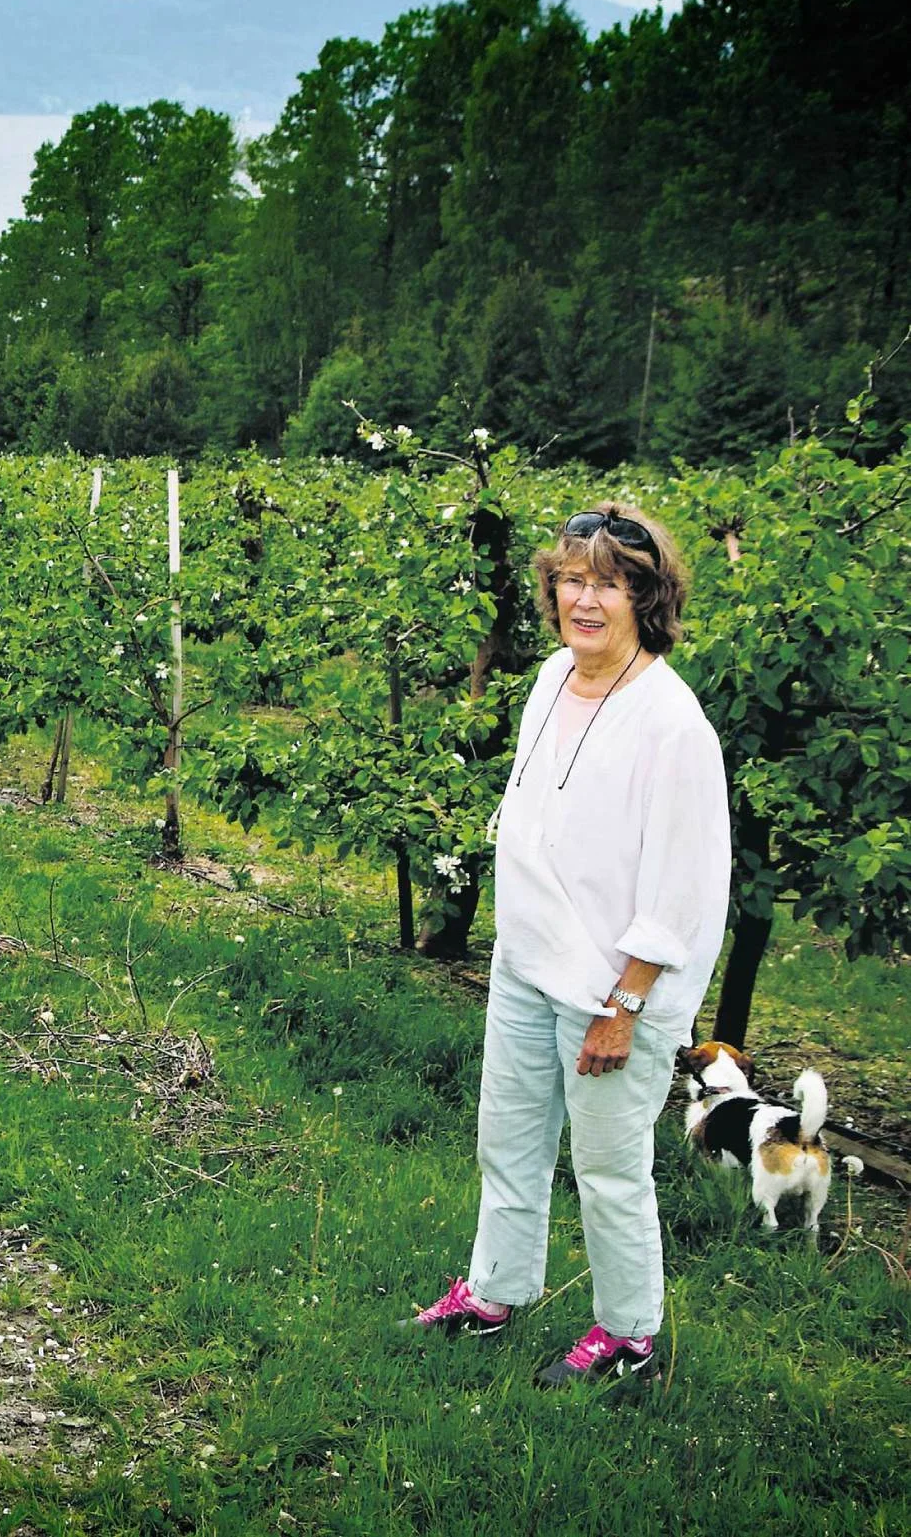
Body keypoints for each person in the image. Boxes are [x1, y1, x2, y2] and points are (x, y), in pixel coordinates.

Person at [412, 502, 730, 1390]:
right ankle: (495, 1289)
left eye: (609, 583)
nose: (584, 599)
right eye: (572, 579)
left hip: (607, 992)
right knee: (507, 1140)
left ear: (647, 595)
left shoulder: (674, 727)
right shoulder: (554, 675)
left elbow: (680, 890)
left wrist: (624, 1008)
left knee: (607, 1166)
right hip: (526, 963)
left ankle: (629, 1335)